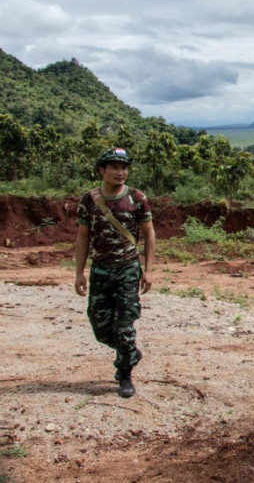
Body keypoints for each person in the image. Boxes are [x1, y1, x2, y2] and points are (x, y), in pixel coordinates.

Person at [74, 148, 155, 398]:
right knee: (100, 326)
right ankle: (130, 352)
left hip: (128, 270)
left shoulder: (136, 197)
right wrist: (79, 273)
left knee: (123, 325)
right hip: (100, 270)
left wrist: (148, 270)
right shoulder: (90, 199)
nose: (121, 172)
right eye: (115, 167)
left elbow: (149, 233)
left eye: (124, 167)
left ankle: (125, 373)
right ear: (102, 170)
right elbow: (83, 236)